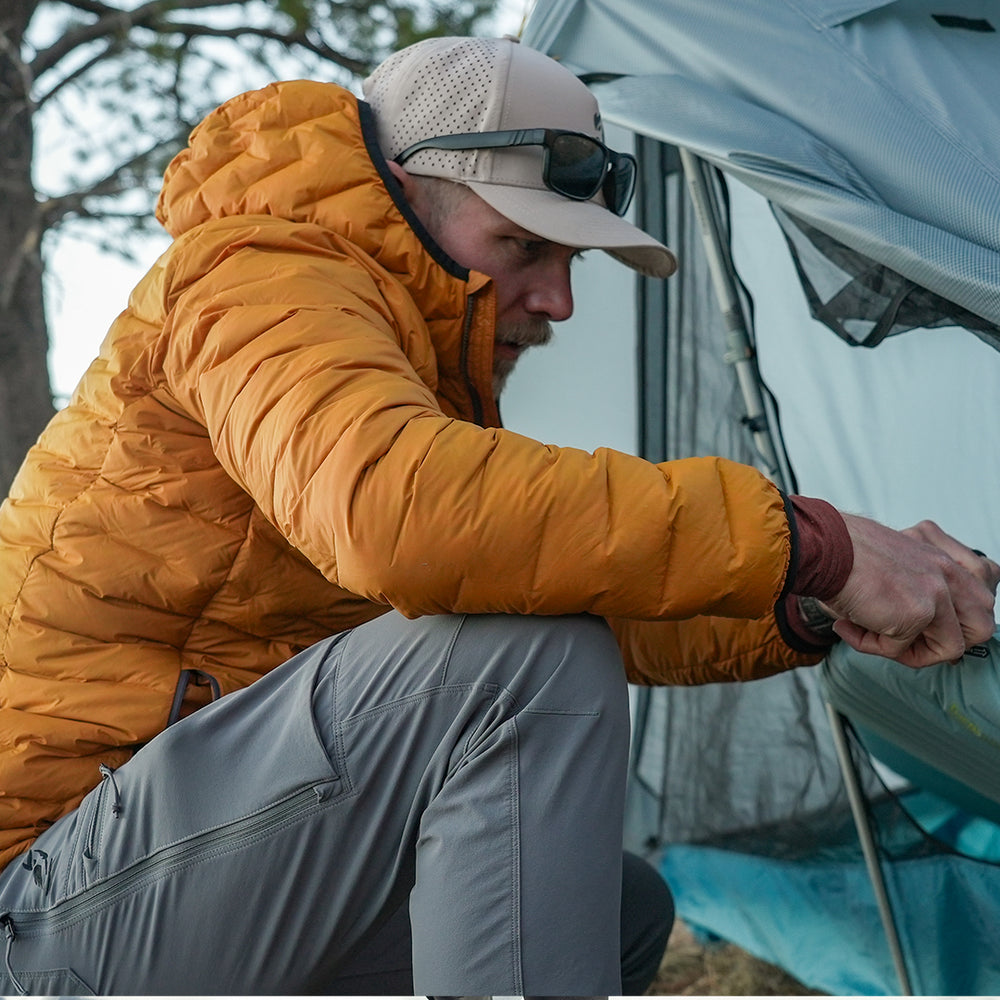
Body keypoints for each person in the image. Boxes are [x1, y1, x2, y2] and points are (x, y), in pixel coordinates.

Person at [0, 34, 995, 997]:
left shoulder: (399, 357)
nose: (557, 300)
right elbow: (401, 517)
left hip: (184, 869)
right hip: (45, 909)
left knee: (614, 910)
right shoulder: (259, 272)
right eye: (522, 243)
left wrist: (806, 605)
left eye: (572, 261)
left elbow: (572, 585)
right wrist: (808, 545)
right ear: (402, 183)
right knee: (521, 666)